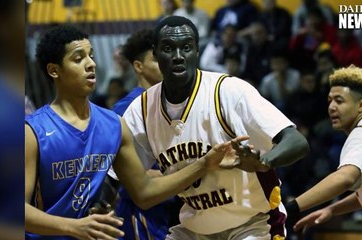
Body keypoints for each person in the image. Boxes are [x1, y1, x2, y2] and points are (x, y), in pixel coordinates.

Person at [25, 24, 247, 240]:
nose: (91, 64)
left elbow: (144, 192)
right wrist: (73, 227)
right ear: (54, 70)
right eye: (78, 58)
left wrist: (204, 164)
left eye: (91, 55)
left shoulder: (114, 125)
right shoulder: (33, 131)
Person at [120, 16, 309, 240]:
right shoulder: (140, 109)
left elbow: (296, 141)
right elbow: (120, 179)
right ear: (156, 53)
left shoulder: (229, 90)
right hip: (195, 229)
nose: (179, 56)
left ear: (197, 51)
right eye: (169, 49)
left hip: (254, 223)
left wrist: (263, 162)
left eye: (187, 48)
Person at [287, 65, 362, 233]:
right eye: (329, 101)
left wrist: (290, 208)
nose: (331, 107)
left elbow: (345, 178)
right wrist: (332, 209)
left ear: (361, 105)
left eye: (339, 100)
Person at [111, 28, 176, 240]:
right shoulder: (126, 108)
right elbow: (121, 173)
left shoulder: (174, 104)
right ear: (139, 66)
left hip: (174, 207)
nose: (166, 63)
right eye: (157, 59)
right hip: (141, 213)